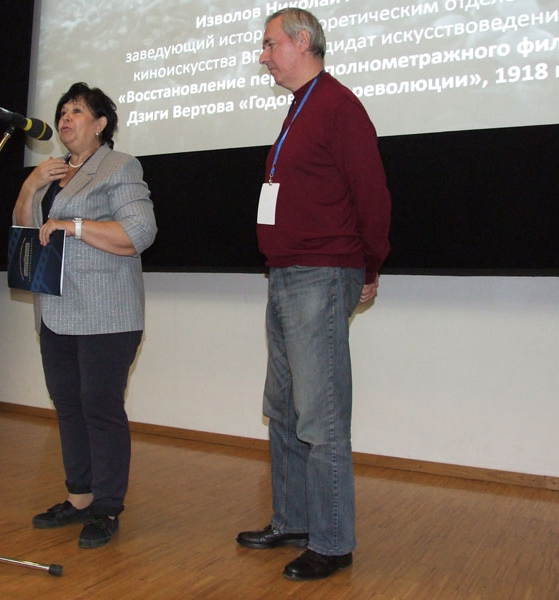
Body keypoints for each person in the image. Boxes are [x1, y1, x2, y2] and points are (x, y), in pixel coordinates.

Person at [236, 8, 391, 581]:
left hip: (322, 274)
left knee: (320, 416)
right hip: (285, 275)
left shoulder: (338, 106)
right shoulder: (301, 108)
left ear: (302, 42)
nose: (263, 56)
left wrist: (370, 264)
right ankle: (294, 520)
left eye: (269, 44)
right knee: (283, 408)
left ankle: (332, 541)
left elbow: (372, 195)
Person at [13, 82, 156, 549]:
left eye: (77, 111)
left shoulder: (119, 166)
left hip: (106, 312)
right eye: (63, 111)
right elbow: (25, 232)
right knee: (68, 405)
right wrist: (31, 186)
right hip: (55, 310)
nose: (66, 118)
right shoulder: (51, 173)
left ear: (101, 124)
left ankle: (107, 507)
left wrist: (73, 226)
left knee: (100, 406)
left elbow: (139, 232)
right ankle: (79, 497)